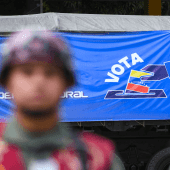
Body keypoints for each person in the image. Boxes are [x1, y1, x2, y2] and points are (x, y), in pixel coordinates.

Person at [0, 30, 124, 170]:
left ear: (68, 83)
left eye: (50, 73)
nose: (39, 82)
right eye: (27, 72)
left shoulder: (98, 158)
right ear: (6, 82)